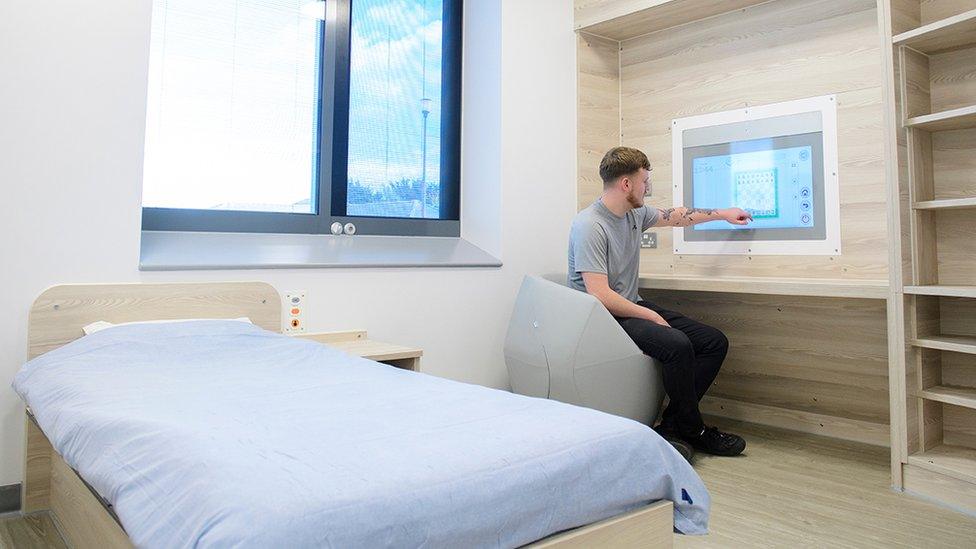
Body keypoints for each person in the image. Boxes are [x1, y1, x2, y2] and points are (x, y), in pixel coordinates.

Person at [567, 146, 752, 460]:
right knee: (677, 345)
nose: (648, 188)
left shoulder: (634, 213)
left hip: (627, 305)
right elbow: (600, 295)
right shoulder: (590, 226)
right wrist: (651, 316)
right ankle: (694, 430)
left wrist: (723, 213)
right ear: (626, 184)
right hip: (601, 317)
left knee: (712, 341)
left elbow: (676, 216)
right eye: (644, 181)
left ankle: (672, 428)